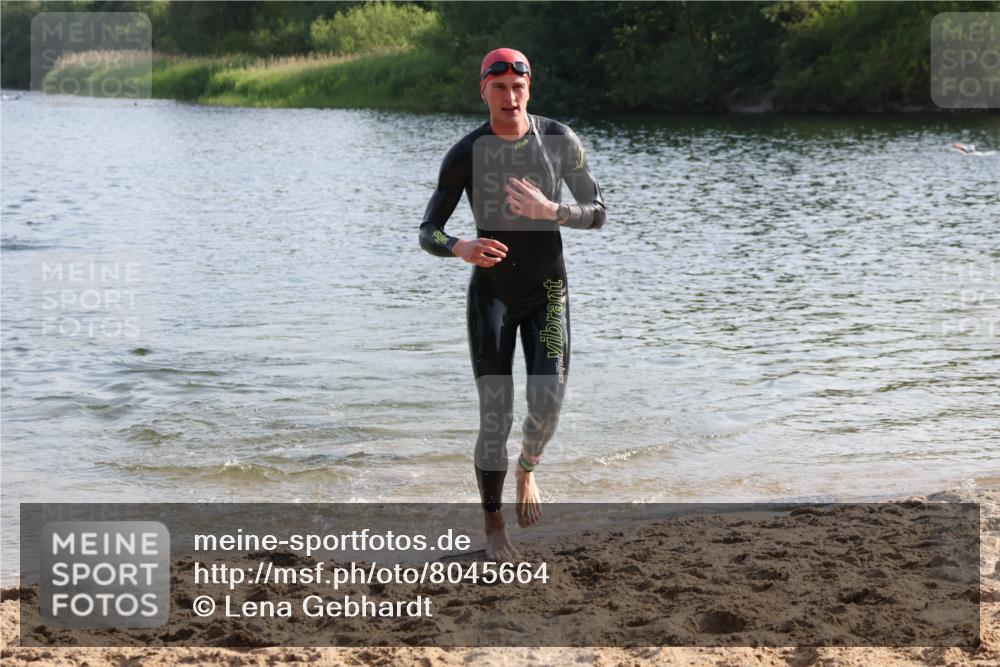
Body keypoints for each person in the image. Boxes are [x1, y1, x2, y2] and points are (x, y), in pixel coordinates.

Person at [418, 48, 606, 561]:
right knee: (494, 416)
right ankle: (494, 527)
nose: (510, 96)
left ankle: (527, 467)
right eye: (498, 88)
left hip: (547, 291)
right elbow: (427, 229)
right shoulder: (466, 153)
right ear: (484, 91)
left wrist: (554, 211)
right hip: (493, 298)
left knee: (548, 401)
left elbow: (599, 211)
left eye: (517, 87)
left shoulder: (559, 141)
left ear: (530, 88)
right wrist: (459, 246)